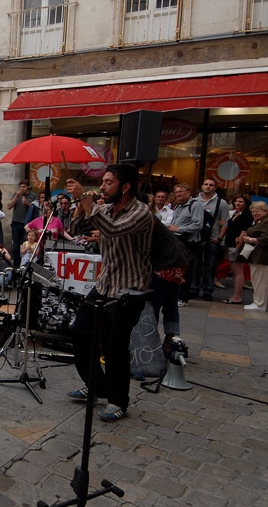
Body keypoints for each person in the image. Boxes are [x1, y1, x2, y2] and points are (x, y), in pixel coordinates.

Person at [63, 164, 153, 422]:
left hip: (129, 288)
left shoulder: (140, 212)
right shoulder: (105, 208)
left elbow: (112, 230)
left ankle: (118, 400)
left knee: (114, 346)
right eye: (102, 182)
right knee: (81, 332)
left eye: (108, 182)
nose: (101, 187)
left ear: (125, 187)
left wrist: (84, 198)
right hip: (105, 284)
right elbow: (77, 225)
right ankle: (96, 385)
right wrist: (81, 202)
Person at [189, 179, 228, 302]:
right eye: (205, 184)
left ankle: (208, 290)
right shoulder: (194, 201)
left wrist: (219, 238)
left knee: (210, 266)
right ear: (201, 186)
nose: (208, 187)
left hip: (213, 238)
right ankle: (194, 288)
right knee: (195, 265)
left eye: (211, 185)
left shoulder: (222, 203)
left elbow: (225, 222)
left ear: (215, 188)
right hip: (197, 237)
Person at [235, 201, 268, 311]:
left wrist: (249, 239)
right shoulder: (259, 222)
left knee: (260, 281)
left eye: (257, 211)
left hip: (262, 256)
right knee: (256, 280)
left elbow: (266, 238)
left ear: (265, 211)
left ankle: (260, 303)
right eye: (253, 211)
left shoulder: (267, 222)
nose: (255, 213)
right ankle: (257, 302)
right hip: (257, 255)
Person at [168, 183, 203, 307]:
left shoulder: (195, 205)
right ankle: (175, 294)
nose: (179, 194)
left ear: (189, 192)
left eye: (181, 192)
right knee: (176, 268)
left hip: (189, 242)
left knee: (186, 270)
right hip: (177, 241)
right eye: (177, 192)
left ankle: (183, 297)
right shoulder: (178, 206)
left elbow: (198, 224)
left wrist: (179, 229)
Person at [219, 193, 254, 305]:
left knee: (237, 271)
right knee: (235, 271)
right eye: (236, 201)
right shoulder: (236, 213)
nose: (237, 203)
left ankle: (237, 296)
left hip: (236, 246)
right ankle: (236, 295)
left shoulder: (247, 214)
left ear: (246, 203)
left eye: (241, 202)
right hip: (230, 244)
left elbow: (244, 231)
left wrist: (238, 247)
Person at [5, 180, 37, 268]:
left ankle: (25, 264)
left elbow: (35, 209)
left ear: (28, 187)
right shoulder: (16, 195)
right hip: (16, 222)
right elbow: (9, 206)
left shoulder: (33, 196)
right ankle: (16, 265)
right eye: (21, 187)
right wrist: (16, 196)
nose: (22, 189)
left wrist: (27, 203)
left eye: (24, 187)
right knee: (15, 245)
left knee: (25, 244)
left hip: (26, 224)